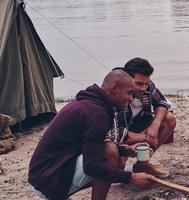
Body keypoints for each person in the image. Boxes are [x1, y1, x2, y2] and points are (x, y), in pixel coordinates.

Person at [28, 70, 155, 200]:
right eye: (129, 93)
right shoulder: (96, 113)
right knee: (110, 152)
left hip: (42, 175)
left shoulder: (90, 104)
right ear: (114, 89)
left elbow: (91, 145)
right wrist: (131, 178)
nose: (131, 98)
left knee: (111, 150)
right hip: (48, 181)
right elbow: (91, 166)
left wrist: (125, 151)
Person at [118, 57, 176, 177]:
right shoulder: (116, 92)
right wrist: (145, 136)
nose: (144, 88)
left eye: (146, 83)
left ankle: (142, 164)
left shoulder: (147, 86)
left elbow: (163, 103)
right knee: (118, 165)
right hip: (118, 135)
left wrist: (155, 126)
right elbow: (116, 133)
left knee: (169, 119)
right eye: (139, 84)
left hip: (139, 125)